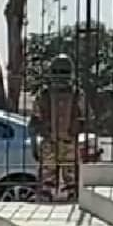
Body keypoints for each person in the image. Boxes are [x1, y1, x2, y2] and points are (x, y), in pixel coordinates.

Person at [31, 54, 86, 202]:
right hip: (49, 140)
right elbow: (35, 119)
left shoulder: (77, 94)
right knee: (47, 176)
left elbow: (83, 118)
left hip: (69, 141)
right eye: (57, 72)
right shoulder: (44, 94)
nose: (60, 76)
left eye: (63, 72)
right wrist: (34, 141)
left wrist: (77, 131)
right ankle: (45, 196)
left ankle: (73, 196)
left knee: (72, 175)